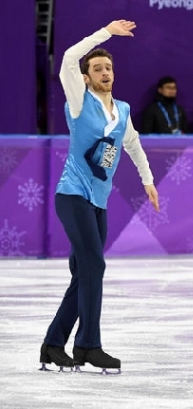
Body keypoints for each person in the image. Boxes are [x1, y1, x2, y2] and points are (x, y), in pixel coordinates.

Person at [39, 20, 159, 373]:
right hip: (72, 195)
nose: (105, 71)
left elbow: (133, 145)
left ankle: (52, 344)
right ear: (87, 77)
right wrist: (105, 32)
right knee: (94, 265)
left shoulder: (121, 110)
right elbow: (67, 59)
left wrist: (148, 181)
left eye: (108, 67)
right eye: (97, 68)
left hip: (98, 203)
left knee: (84, 273)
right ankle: (88, 345)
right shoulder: (78, 101)